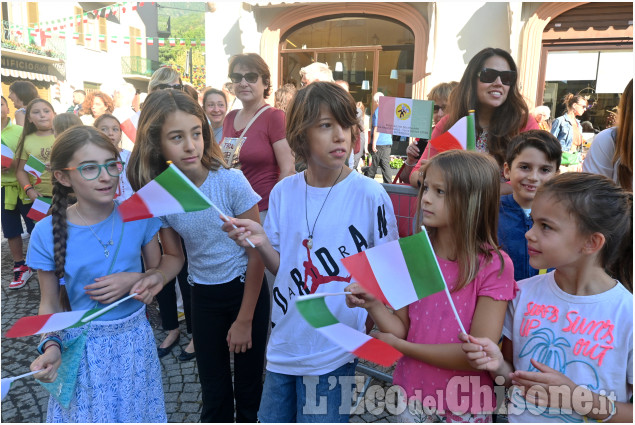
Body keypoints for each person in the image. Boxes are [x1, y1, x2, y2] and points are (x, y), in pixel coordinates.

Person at [222, 81, 399, 422]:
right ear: (301, 136)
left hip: (334, 350)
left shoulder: (370, 195)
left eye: (346, 125)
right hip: (284, 344)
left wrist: (371, 310)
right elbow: (281, 267)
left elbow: (389, 276)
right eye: (326, 125)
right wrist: (259, 240)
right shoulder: (284, 192)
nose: (340, 136)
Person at [127, 89, 269, 422]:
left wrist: (245, 319)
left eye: (196, 133)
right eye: (177, 137)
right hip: (202, 296)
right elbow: (174, 255)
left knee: (249, 389)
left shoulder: (231, 182)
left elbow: (257, 253)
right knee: (214, 390)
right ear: (157, 143)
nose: (191, 145)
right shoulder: (163, 193)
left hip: (245, 291)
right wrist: (156, 276)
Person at [27, 125, 184, 422]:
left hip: (134, 345)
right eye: (89, 168)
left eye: (112, 165)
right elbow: (49, 304)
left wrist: (139, 279)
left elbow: (165, 263)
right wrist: (50, 346)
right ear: (62, 176)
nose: (105, 176)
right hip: (81, 351)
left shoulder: (137, 213)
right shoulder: (45, 232)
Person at [347, 150, 516, 422]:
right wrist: (374, 304)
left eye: (440, 192)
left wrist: (403, 348)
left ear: (473, 200)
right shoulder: (415, 254)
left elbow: (476, 353)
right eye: (426, 188)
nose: (425, 198)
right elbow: (401, 328)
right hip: (410, 395)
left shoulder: (494, 265)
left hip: (463, 403)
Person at [461, 172, 633, 423]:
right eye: (533, 222)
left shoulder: (627, 314)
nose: (529, 234)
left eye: (546, 226)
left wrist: (575, 397)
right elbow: (512, 383)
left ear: (591, 242)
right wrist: (496, 364)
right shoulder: (522, 294)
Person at [409, 48, 539, 194]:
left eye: (507, 77)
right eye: (488, 75)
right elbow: (415, 174)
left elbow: (537, 176)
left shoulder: (524, 124)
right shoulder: (450, 123)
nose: (498, 83)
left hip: (506, 214)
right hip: (457, 213)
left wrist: (479, 190)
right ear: (472, 79)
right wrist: (427, 175)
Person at [222, 53, 295, 219]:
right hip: (231, 211)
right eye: (237, 77)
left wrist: (276, 213)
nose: (243, 83)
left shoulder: (274, 117)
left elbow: (288, 170)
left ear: (266, 82)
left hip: (262, 211)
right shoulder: (230, 117)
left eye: (251, 77)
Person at [499, 130, 561, 281]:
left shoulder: (563, 216)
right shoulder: (489, 213)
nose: (533, 177)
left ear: (556, 175)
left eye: (544, 170)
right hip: (500, 300)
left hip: (545, 301)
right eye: (525, 167)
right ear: (507, 170)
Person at [1, 95, 35, 290]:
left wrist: (15, 164)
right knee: (11, 229)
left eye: (1, 103)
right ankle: (20, 264)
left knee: (34, 226)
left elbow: (31, 157)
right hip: (4, 189)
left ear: (8, 107)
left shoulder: (21, 132)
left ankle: (40, 259)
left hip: (25, 186)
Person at [402, 81, 459, 184]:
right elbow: (405, 179)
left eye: (445, 107)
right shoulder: (424, 136)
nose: (440, 114)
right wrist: (410, 160)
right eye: (435, 108)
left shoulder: (464, 135)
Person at [583, 79, 632, 191]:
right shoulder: (609, 139)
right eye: (584, 107)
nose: (586, 110)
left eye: (586, 107)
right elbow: (593, 198)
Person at [15, 99, 56, 202]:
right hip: (40, 197)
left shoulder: (64, 135)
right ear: (29, 118)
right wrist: (28, 189)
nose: (42, 115)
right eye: (36, 112)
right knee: (41, 219)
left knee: (69, 218)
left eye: (46, 111)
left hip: (68, 194)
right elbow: (20, 170)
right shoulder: (26, 139)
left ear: (54, 114)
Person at [364, 91, 393, 183]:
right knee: (385, 165)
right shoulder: (389, 112)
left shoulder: (378, 111)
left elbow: (377, 128)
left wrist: (374, 144)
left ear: (376, 101)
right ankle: (389, 185)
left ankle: (368, 184)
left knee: (373, 166)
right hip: (388, 141)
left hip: (379, 142)